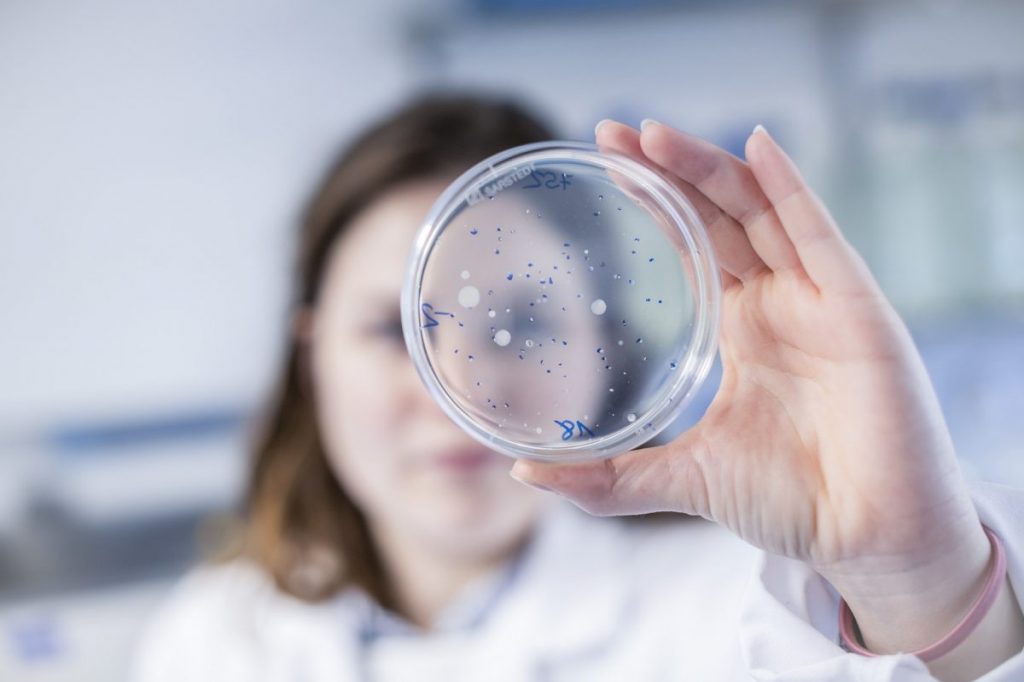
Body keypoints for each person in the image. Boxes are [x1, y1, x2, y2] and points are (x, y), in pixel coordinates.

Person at [132, 93, 1024, 681]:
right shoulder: (213, 643)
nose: (459, 389)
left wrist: (912, 577)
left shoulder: (752, 610)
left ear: (608, 356)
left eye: (526, 324)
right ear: (309, 357)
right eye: (394, 332)